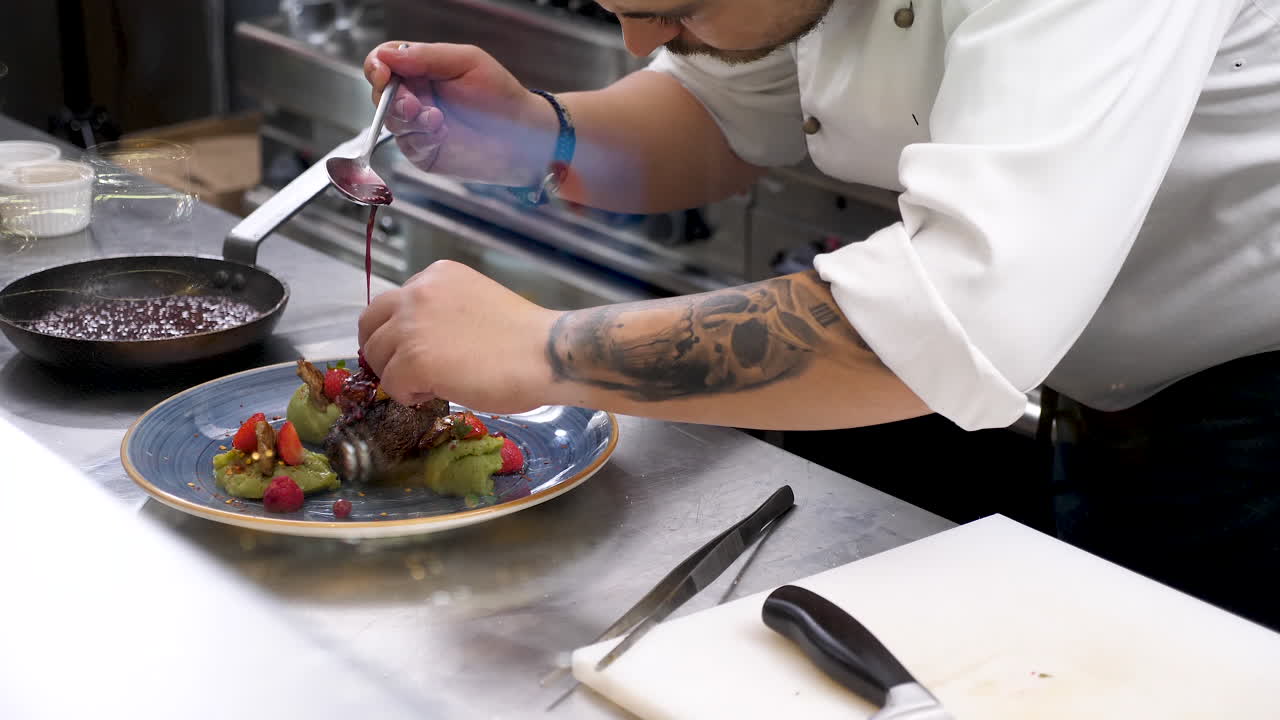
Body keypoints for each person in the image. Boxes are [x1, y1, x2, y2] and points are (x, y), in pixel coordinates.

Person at [358, 0, 1280, 631]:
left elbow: (954, 310)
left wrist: (546, 347)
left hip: (1249, 398)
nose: (644, 40)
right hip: (1098, 380)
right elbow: (731, 110)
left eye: (682, 5)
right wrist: (535, 132)